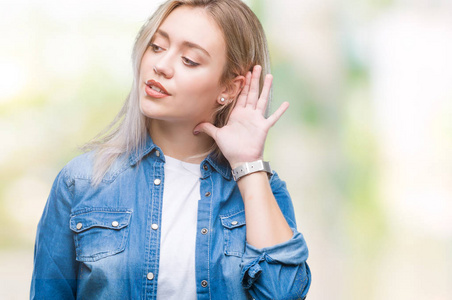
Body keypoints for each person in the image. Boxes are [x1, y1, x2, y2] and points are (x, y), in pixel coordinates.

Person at [30, 0, 311, 299]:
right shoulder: (82, 182)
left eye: (189, 59)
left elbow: (283, 294)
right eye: (157, 46)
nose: (160, 66)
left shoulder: (263, 191)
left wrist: (247, 163)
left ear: (228, 88)